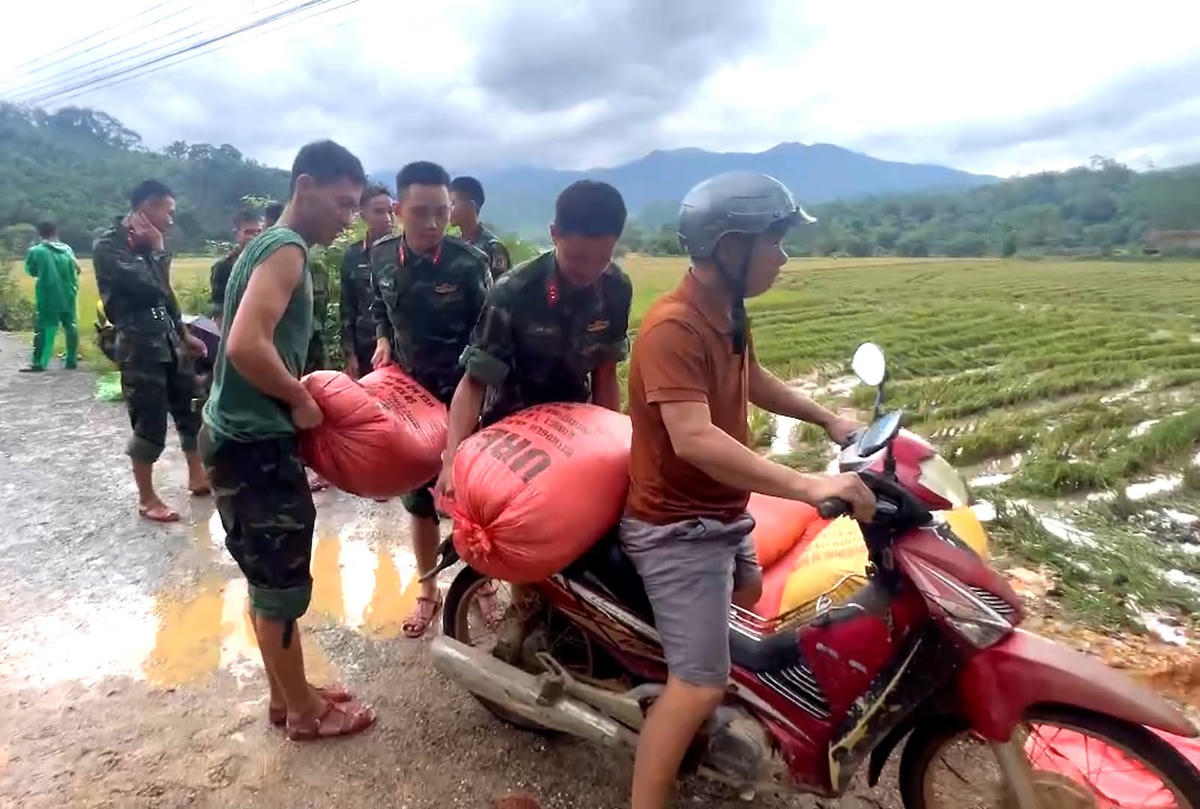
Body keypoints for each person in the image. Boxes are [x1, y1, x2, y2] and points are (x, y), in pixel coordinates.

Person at [619, 172, 876, 809]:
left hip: (720, 513)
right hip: (675, 525)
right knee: (701, 684)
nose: (783, 257)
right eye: (775, 241)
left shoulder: (726, 312)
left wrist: (829, 419)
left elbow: (752, 377)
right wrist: (805, 484)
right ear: (730, 246)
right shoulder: (672, 328)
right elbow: (694, 439)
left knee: (751, 593)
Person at [201, 139, 375, 741]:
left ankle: (288, 695)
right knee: (279, 585)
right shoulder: (289, 251)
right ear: (305, 186)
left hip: (234, 435)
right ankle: (304, 714)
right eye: (343, 203)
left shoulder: (264, 247)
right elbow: (245, 344)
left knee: (264, 578)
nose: (348, 218)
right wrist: (299, 399)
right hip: (255, 443)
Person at [436, 180, 633, 657]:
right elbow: (474, 383)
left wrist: (620, 441)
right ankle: (524, 611)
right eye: (578, 259)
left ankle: (581, 619)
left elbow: (605, 369)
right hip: (515, 434)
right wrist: (451, 462)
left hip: (578, 429)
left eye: (601, 260)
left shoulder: (616, 288)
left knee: (595, 527)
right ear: (554, 234)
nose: (590, 272)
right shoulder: (513, 292)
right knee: (526, 539)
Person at [370, 161, 492, 638]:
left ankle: (478, 584)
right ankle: (426, 588)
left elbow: (490, 336)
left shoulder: (468, 263)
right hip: (408, 402)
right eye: (420, 213)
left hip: (463, 400)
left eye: (442, 212)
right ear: (398, 211)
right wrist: (382, 339)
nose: (433, 224)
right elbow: (379, 306)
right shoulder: (380, 257)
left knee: (466, 500)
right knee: (418, 502)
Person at [94, 180, 211, 522]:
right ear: (147, 207)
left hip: (168, 341)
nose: (171, 220)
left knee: (189, 409)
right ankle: (147, 498)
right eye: (168, 212)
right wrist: (158, 250)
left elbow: (165, 296)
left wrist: (183, 332)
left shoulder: (146, 245)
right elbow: (149, 287)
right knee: (150, 420)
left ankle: (198, 474)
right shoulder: (109, 245)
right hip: (139, 345)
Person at [339, 184, 393, 378]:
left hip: (397, 351)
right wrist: (350, 354)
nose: (387, 218)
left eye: (390, 211)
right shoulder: (353, 256)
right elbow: (347, 308)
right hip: (365, 351)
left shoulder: (403, 253)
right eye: (379, 212)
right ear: (363, 215)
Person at [20, 221, 80, 373]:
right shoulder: (67, 249)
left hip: (48, 295)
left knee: (44, 328)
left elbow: (31, 271)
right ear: (56, 232)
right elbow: (76, 270)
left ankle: (40, 362)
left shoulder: (36, 251)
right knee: (70, 326)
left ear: (40, 234)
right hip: (69, 293)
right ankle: (71, 360)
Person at [449, 175, 510, 280]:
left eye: (453, 203)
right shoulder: (453, 244)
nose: (449, 209)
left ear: (470, 206)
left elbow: (501, 288)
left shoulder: (493, 248)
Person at [209, 210, 265, 323]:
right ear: (236, 234)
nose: (255, 237)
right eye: (249, 232)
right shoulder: (224, 267)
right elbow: (219, 310)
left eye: (259, 232)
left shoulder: (269, 263)